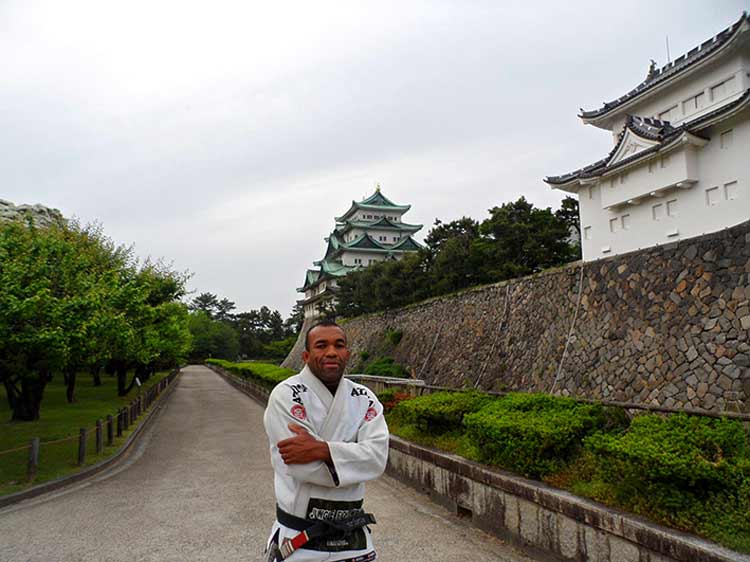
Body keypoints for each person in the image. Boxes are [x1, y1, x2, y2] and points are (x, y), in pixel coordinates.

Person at [263, 320, 389, 561]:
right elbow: (302, 467)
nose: (331, 352)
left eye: (338, 345)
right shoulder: (286, 396)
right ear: (306, 355)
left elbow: (378, 458)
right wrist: (354, 460)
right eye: (322, 345)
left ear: (347, 354)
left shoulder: (365, 398)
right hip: (299, 537)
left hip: (354, 540)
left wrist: (322, 450)